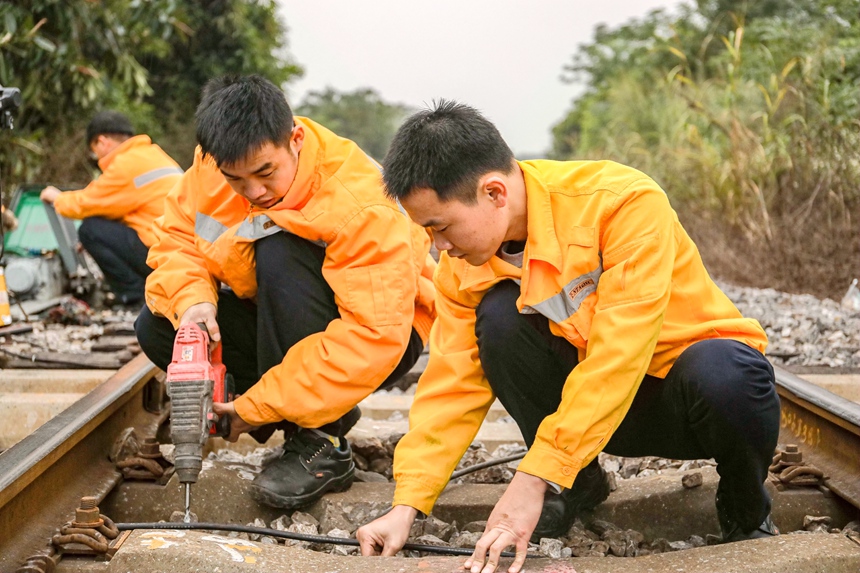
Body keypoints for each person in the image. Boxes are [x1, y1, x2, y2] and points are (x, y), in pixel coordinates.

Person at [356, 101, 781, 573]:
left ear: (494, 192)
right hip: (589, 418)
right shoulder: (461, 269)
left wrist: (533, 476)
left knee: (728, 373)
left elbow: (621, 353)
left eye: (441, 227)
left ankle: (746, 510)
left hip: (680, 404)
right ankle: (577, 482)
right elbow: (452, 385)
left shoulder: (622, 202)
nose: (439, 247)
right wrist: (406, 506)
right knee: (499, 316)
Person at [135, 75, 436, 510]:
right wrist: (194, 302)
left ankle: (321, 441)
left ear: (294, 139)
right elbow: (176, 240)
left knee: (279, 246)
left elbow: (373, 337)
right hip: (275, 313)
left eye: (265, 173)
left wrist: (257, 406)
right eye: (236, 179)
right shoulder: (209, 171)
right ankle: (276, 406)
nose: (254, 191)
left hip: (384, 335)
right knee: (160, 325)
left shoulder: (361, 203)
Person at [40, 111, 183, 306]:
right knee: (102, 229)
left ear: (102, 141)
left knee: (90, 230)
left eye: (93, 150)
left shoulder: (125, 164)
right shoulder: (154, 155)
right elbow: (135, 208)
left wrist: (56, 198)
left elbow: (85, 204)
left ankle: (135, 297)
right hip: (182, 253)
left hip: (161, 255)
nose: (96, 156)